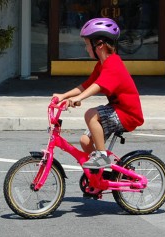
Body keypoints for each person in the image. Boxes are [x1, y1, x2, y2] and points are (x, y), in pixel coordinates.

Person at [53, 18, 144, 169]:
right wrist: (64, 96)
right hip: (116, 110)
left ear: (99, 45)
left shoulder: (113, 64)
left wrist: (78, 98)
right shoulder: (101, 64)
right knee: (85, 141)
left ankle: (102, 156)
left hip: (127, 114)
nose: (86, 49)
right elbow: (86, 85)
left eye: (87, 45)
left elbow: (97, 86)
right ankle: (100, 178)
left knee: (90, 114)